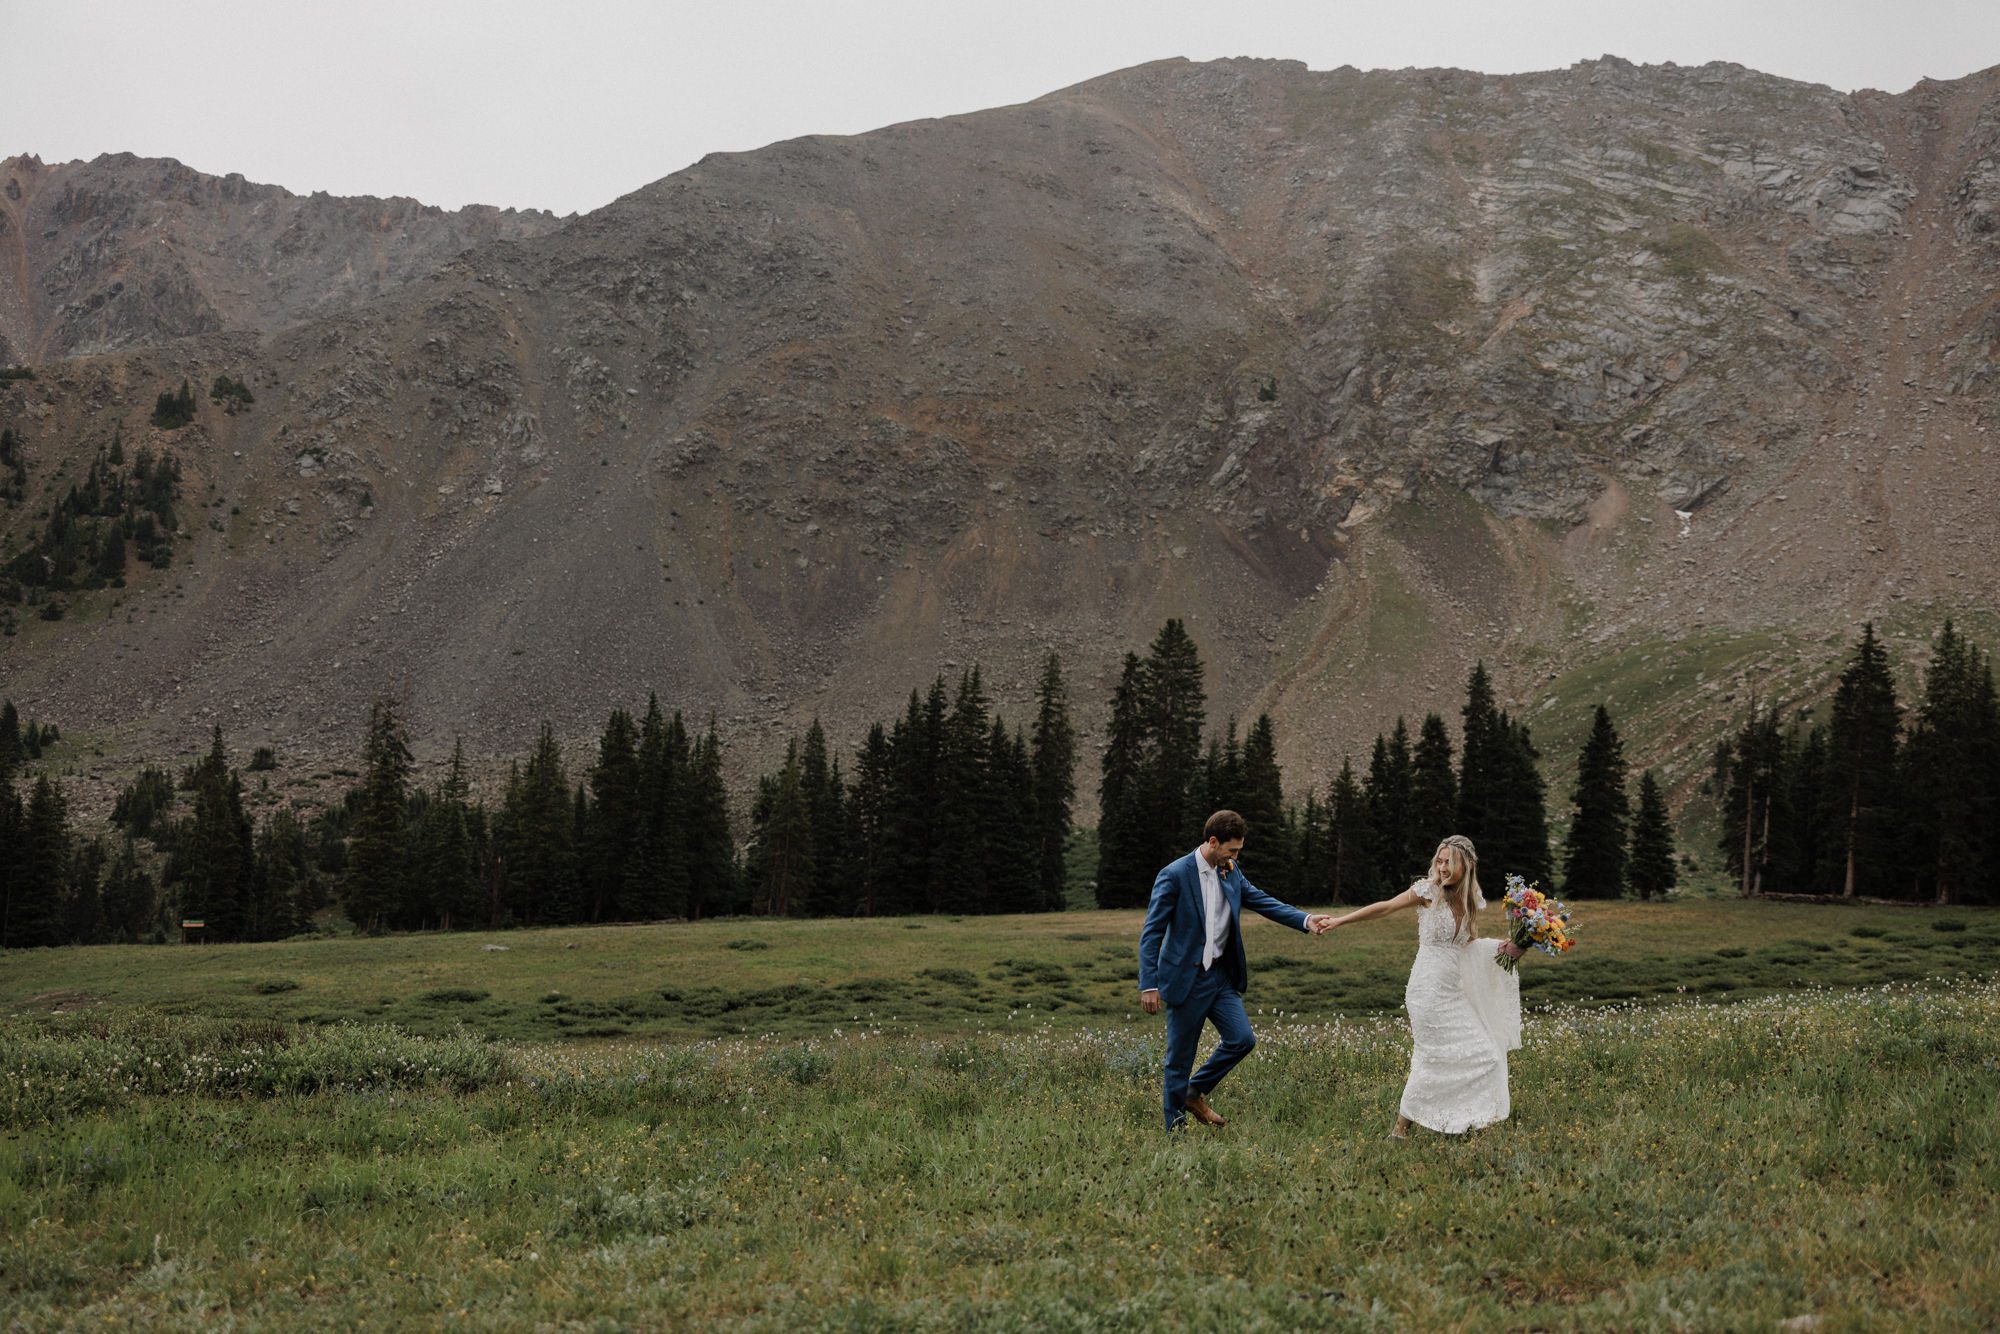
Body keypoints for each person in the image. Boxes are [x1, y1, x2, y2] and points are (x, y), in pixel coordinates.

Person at [1138, 809, 1334, 1131]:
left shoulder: (1230, 871)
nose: (1235, 856)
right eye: (1232, 850)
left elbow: (1262, 900)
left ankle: (1193, 1091)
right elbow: (1152, 933)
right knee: (1179, 1059)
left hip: (1220, 978)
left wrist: (1305, 919)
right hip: (1185, 980)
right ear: (1213, 842)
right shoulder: (1174, 875)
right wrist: (1149, 984)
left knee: (1242, 1039)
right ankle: (1175, 1131)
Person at [1326, 834, 1523, 1138]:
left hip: (1453, 988)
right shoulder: (1427, 891)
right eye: (1440, 860)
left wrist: (1506, 946)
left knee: (1485, 1053)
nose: (1442, 868)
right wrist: (1340, 921)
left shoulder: (1471, 898)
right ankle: (1401, 1130)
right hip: (1426, 989)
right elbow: (1385, 907)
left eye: (1449, 862)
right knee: (1432, 1056)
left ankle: (1468, 1120)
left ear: (1466, 865)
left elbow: (1468, 945)